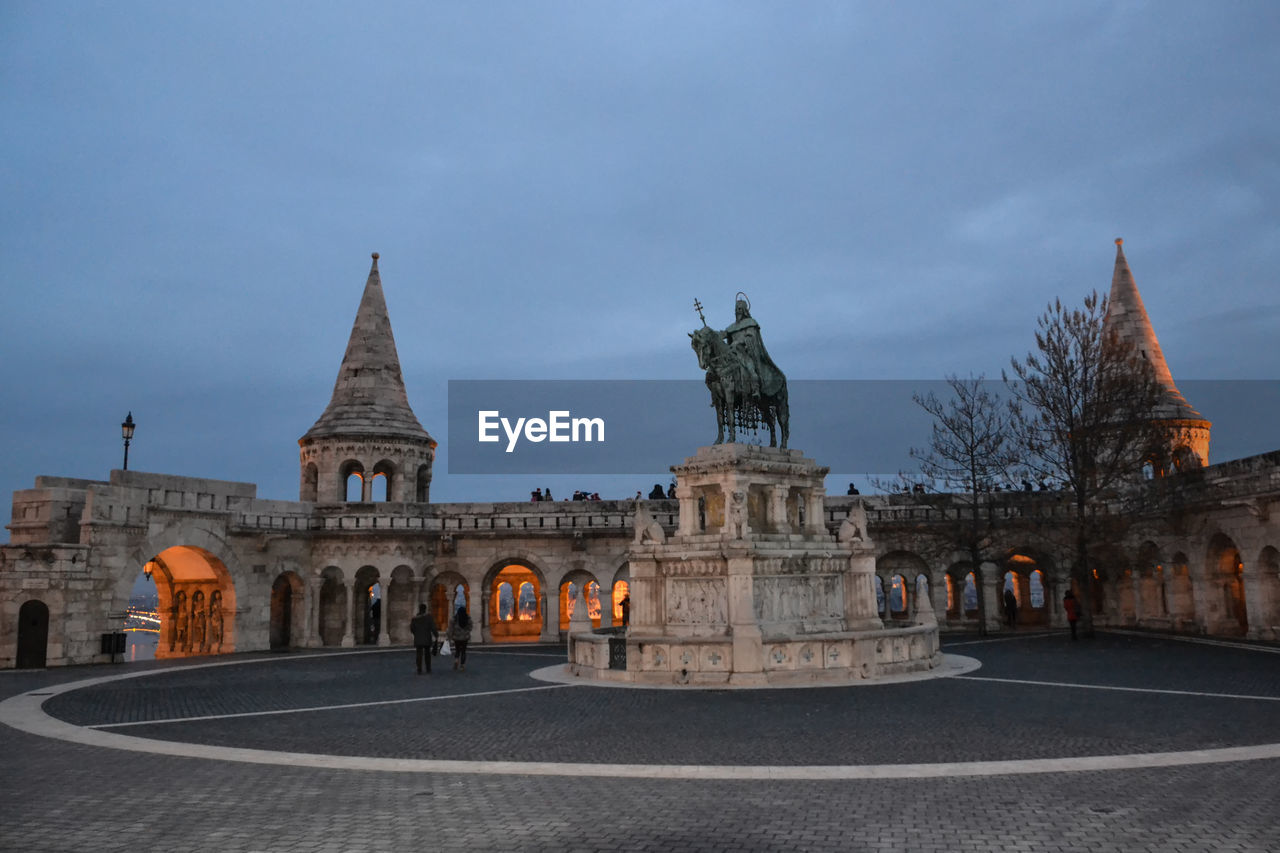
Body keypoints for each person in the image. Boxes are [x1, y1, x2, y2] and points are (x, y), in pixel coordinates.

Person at [410, 604, 439, 674]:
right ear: (425, 609)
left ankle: (419, 669)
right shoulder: (428, 617)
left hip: (418, 638)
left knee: (419, 654)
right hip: (427, 638)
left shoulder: (415, 618)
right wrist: (436, 635)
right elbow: (433, 627)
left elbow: (412, 628)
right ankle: (428, 668)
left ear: (419, 609)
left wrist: (416, 634)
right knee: (427, 654)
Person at [449, 605, 473, 671]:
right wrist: (467, 631)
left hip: (457, 637)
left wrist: (450, 636)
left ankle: (456, 661)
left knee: (457, 650)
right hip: (465, 637)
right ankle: (462, 665)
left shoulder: (454, 619)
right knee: (463, 651)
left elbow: (451, 628)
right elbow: (470, 627)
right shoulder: (468, 619)